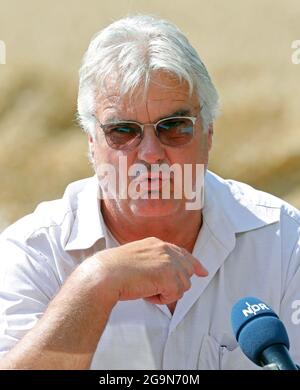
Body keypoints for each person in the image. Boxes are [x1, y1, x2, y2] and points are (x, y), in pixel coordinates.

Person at [0, 14, 299, 370]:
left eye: (173, 127)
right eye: (123, 131)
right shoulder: (33, 253)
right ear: (92, 144)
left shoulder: (283, 241)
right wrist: (95, 284)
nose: (151, 154)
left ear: (208, 135)